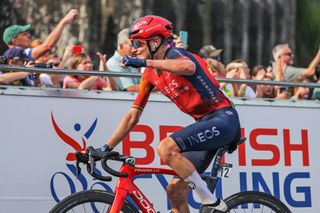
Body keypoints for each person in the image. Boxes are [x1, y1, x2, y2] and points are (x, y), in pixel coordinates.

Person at [94, 15, 241, 213]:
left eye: (138, 43)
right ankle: (208, 199)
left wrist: (147, 62)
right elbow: (133, 116)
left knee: (166, 148)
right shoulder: (149, 74)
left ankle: (211, 201)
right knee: (175, 191)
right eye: (132, 44)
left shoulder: (175, 55)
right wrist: (105, 147)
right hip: (205, 123)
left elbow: (188, 67)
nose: (134, 49)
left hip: (223, 119)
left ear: (155, 42)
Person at [2, 9, 79, 60]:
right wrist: (64, 22)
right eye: (24, 34)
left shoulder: (12, 56)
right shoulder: (23, 53)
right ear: (15, 41)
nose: (29, 36)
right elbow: (47, 46)